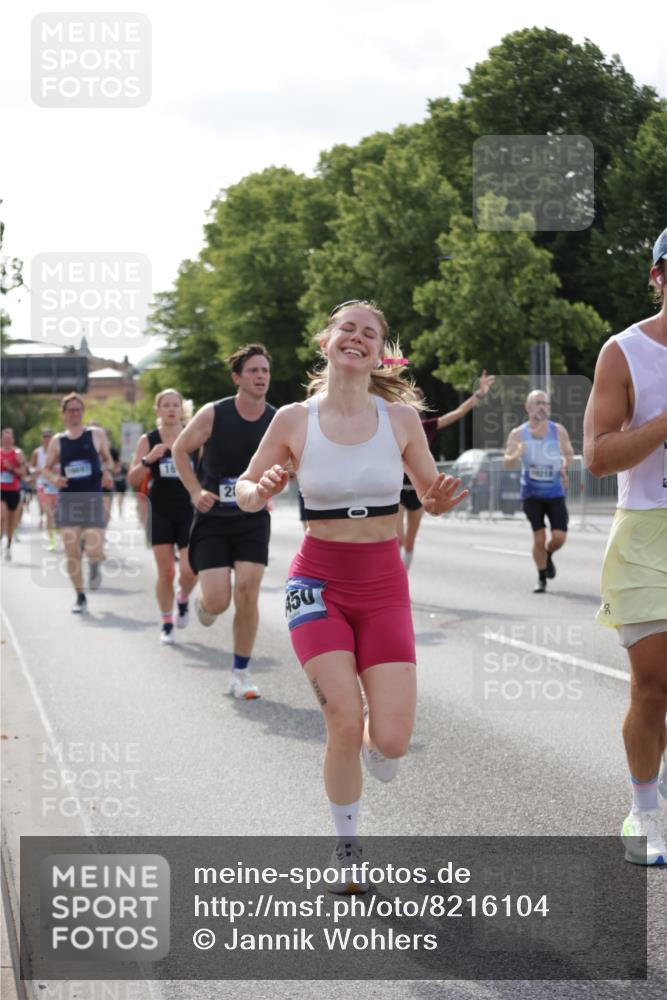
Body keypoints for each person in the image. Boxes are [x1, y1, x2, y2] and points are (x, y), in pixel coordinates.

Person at [236, 301, 467, 891]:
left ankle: (375, 742)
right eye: (348, 328)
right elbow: (244, 486)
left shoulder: (400, 420)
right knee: (343, 718)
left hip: (383, 583)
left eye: (370, 333)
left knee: (390, 741)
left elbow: (428, 493)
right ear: (326, 341)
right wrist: (258, 491)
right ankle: (346, 846)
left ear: (380, 352)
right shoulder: (294, 419)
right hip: (317, 582)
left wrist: (438, 500)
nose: (357, 338)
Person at [584, 227, 667, 866]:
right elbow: (599, 456)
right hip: (647, 530)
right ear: (658, 276)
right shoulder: (625, 352)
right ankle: (645, 811)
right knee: (654, 683)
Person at [172, 344, 275, 698]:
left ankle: (240, 673)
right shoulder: (214, 413)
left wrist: (278, 479)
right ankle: (199, 602)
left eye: (265, 371)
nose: (261, 376)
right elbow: (179, 450)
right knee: (218, 602)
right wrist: (194, 490)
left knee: (247, 591)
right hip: (213, 518)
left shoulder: (277, 419)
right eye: (253, 371)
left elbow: (292, 459)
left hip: (253, 517)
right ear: (237, 378)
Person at [398, 373, 496, 569]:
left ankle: (404, 572)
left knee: (410, 540)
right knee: (397, 538)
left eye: (416, 401)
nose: (412, 405)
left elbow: (458, 412)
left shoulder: (427, 426)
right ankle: (397, 573)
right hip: (398, 489)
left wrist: (479, 394)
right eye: (408, 400)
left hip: (420, 492)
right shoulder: (395, 425)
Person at [128, 389, 197, 644]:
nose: (171, 409)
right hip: (160, 511)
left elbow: (207, 469)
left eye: (175, 405)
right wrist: (148, 460)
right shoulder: (149, 439)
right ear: (158, 410)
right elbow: (132, 479)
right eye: (166, 405)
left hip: (189, 510)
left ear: (182, 409)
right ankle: (167, 622)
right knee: (166, 572)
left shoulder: (192, 435)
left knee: (191, 570)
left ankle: (183, 597)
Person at [42, 394, 114, 612]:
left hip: (92, 498)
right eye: (71, 409)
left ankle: (95, 565)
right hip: (68, 500)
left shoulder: (96, 434)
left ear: (83, 412)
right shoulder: (58, 441)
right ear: (63, 413)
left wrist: (106, 471)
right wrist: (55, 479)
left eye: (78, 409)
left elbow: (109, 460)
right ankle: (80, 596)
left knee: (94, 549)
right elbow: (45, 469)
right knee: (72, 553)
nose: (75, 413)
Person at [503, 390, 574, 593]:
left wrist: (564, 466)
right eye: (538, 403)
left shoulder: (558, 431)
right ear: (528, 407)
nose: (543, 407)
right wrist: (517, 453)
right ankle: (542, 577)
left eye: (546, 403)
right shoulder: (518, 433)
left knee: (559, 538)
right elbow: (507, 462)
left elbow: (569, 454)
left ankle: (548, 555)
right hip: (531, 494)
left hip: (555, 493)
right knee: (539, 538)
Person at [1, 427, 27, 561]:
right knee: (2, 516)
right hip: (1, 490)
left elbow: (24, 473)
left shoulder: (18, 454)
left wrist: (11, 468)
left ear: (13, 440)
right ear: (1, 439)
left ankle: (8, 546)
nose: (6, 441)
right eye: (4, 438)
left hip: (14, 490)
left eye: (9, 438)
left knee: (11, 522)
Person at [30, 428, 58, 550]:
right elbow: (31, 467)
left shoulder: (58, 452)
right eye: (45, 436)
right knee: (49, 513)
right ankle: (52, 540)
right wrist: (37, 471)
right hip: (42, 485)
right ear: (42, 438)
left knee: (56, 513)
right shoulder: (37, 452)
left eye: (49, 436)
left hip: (56, 485)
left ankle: (56, 530)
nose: (47, 438)